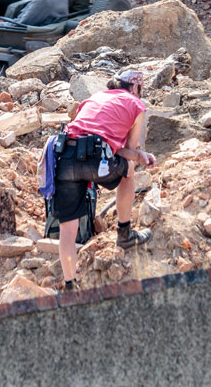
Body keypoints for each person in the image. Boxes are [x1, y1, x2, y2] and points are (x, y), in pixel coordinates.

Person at [54, 70, 156, 290]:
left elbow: (85, 131)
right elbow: (127, 150)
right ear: (136, 88)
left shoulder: (94, 98)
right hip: (97, 160)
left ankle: (70, 286)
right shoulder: (136, 105)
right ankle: (125, 232)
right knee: (128, 170)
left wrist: (136, 154)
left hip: (66, 157)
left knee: (68, 230)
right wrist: (139, 156)